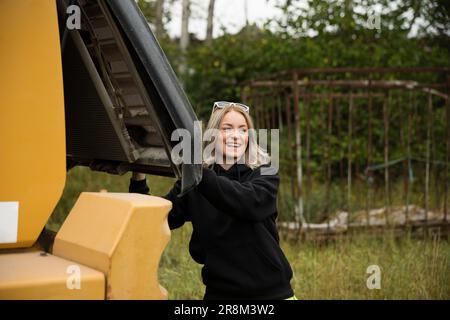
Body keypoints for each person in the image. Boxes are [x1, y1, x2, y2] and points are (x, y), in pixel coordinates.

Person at [129, 101, 296, 300]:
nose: (236, 136)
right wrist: (138, 177)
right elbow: (155, 220)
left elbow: (247, 202)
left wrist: (196, 170)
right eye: (227, 128)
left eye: (243, 130)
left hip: (271, 295)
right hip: (220, 295)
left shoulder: (265, 171)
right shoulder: (195, 184)